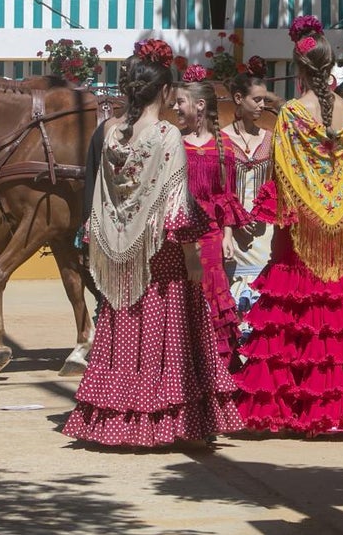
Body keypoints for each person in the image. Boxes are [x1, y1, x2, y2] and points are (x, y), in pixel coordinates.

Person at [61, 40, 242, 448]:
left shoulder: (111, 135)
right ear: (163, 92)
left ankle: (118, 421)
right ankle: (174, 424)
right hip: (162, 258)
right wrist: (192, 256)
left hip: (119, 251)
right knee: (169, 340)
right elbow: (176, 205)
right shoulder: (166, 136)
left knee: (125, 333)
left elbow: (104, 198)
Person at [233, 17, 343, 436]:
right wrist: (338, 208)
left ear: (299, 71)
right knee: (331, 313)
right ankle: (331, 411)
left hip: (300, 230)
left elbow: (282, 171)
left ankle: (287, 409)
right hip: (337, 234)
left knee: (291, 315)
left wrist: (305, 203)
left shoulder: (293, 115)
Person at [173, 74, 249, 370]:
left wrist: (228, 234)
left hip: (212, 236)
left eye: (180, 102)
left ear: (199, 105)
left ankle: (217, 366)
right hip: (182, 234)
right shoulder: (178, 144)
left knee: (212, 294)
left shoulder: (225, 145)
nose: (176, 108)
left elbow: (227, 194)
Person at [220, 71, 274, 339]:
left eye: (264, 100)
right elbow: (218, 190)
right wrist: (231, 223)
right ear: (238, 99)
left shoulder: (271, 138)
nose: (262, 106)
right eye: (257, 100)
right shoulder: (220, 140)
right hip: (231, 232)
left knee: (262, 295)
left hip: (265, 232)